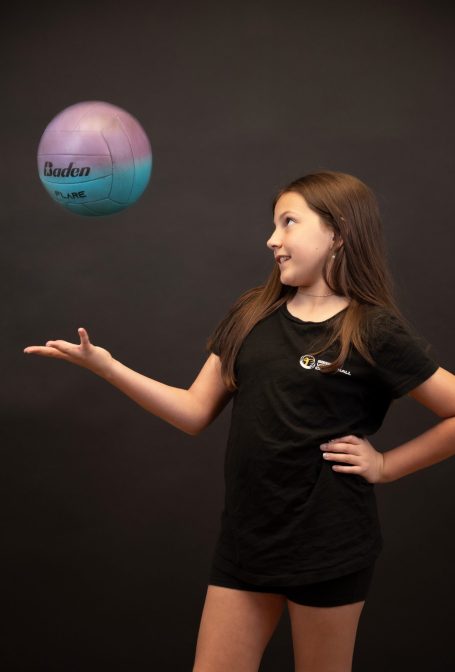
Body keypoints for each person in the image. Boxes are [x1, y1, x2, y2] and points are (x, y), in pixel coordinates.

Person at [24, 170, 455, 672]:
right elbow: (192, 412)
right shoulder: (251, 314)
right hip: (246, 545)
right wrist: (106, 366)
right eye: (274, 225)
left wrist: (387, 465)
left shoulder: (374, 329)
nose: (273, 239)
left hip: (329, 547)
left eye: (288, 222)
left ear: (337, 232)